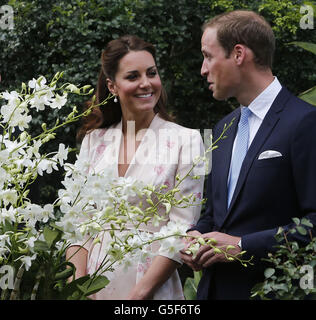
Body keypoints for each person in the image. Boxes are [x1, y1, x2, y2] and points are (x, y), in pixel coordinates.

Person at [180, 10, 316, 300]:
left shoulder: (305, 122)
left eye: (208, 56)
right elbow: (217, 215)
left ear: (239, 54)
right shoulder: (223, 128)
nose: (203, 69)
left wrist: (243, 245)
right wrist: (195, 235)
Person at [66, 35, 205, 300]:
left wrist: (137, 297)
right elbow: (78, 224)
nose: (146, 83)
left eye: (151, 73)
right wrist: (78, 291)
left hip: (150, 288)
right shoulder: (94, 141)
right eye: (133, 76)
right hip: (95, 285)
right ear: (112, 86)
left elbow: (179, 228)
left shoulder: (185, 141)